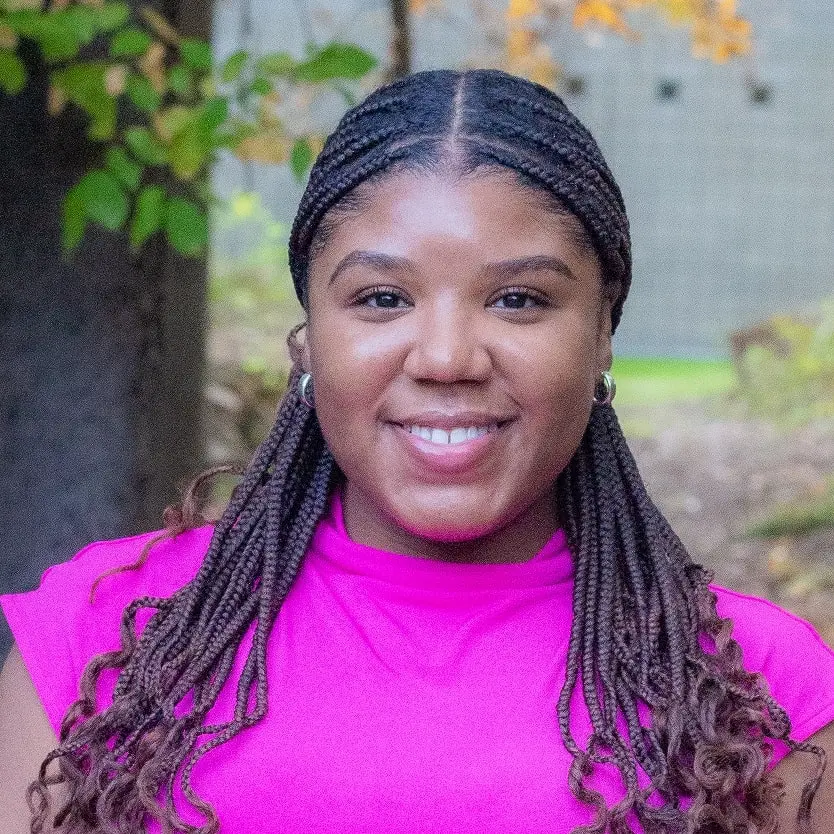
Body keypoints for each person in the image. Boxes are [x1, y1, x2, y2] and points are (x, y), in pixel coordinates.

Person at [1, 68, 832, 834]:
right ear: (309, 337)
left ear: (604, 332)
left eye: (517, 299)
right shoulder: (106, 640)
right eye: (382, 297)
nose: (444, 358)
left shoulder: (757, 695)